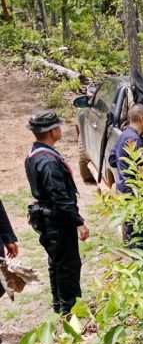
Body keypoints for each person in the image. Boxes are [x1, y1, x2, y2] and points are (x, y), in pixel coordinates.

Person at [25, 111, 89, 315]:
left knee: (57, 263)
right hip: (57, 220)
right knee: (68, 266)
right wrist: (79, 222)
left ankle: (59, 306)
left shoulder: (36, 153)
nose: (60, 129)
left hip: (48, 217)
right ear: (52, 131)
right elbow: (60, 197)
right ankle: (70, 310)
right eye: (58, 127)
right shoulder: (48, 162)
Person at [110, 103, 143, 194]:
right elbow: (140, 170)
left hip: (122, 187)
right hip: (133, 191)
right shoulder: (135, 139)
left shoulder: (123, 135)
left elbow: (112, 161)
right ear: (142, 118)